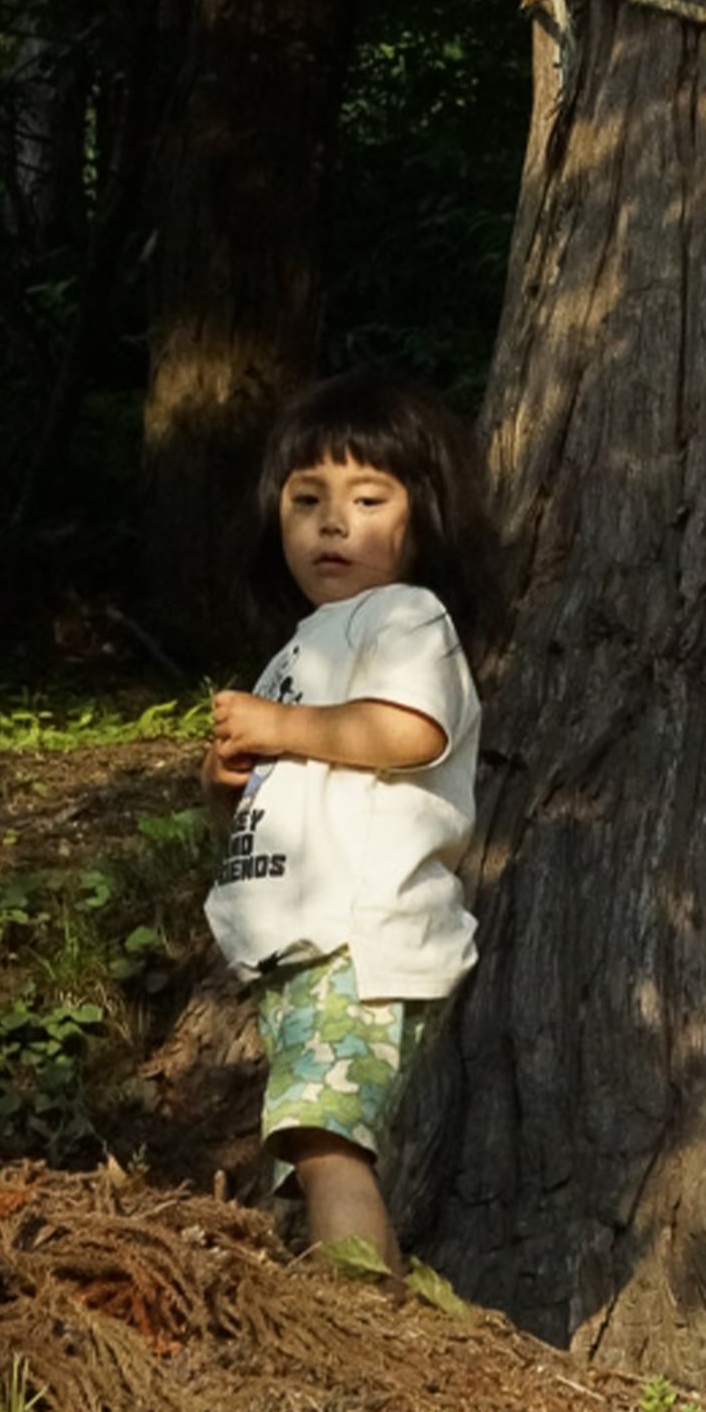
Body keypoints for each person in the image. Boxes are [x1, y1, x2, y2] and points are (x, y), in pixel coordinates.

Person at [201, 366, 499, 1279]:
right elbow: (285, 798)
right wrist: (228, 783)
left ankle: (364, 1313)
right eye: (308, 500)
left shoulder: (407, 615)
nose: (335, 522)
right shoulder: (299, 646)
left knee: (323, 1133)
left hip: (364, 940)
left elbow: (408, 731)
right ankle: (344, 1293)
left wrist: (281, 725)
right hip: (304, 946)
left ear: (426, 517)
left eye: (369, 498)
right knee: (311, 1138)